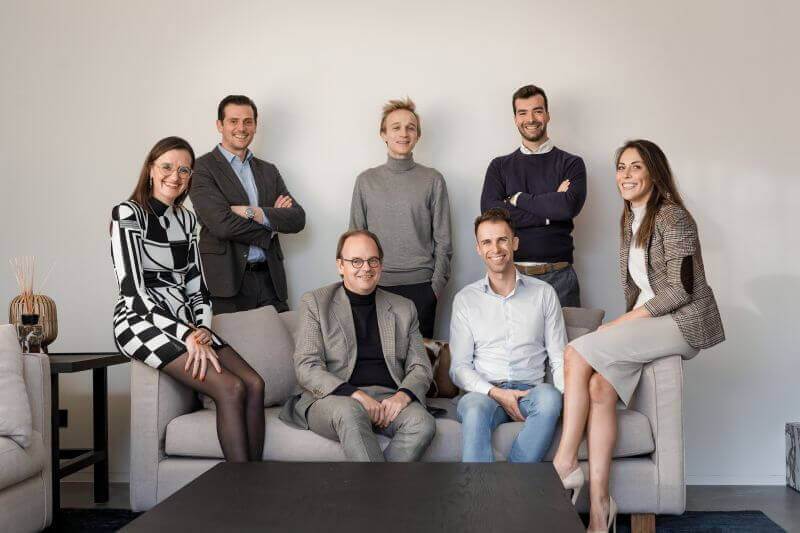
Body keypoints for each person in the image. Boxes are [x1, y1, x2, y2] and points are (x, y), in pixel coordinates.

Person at [552, 140, 725, 532]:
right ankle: (600, 510)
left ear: (654, 173)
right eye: (620, 167)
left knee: (576, 352)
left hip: (683, 322)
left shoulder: (673, 217)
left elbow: (681, 291)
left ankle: (564, 462)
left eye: (635, 167)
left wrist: (618, 324)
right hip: (651, 321)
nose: (625, 175)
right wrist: (628, 321)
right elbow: (644, 286)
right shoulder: (631, 218)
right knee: (599, 388)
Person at [110, 136, 265, 463]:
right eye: (167, 166)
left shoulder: (186, 220)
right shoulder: (127, 214)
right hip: (139, 323)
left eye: (184, 169)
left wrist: (203, 330)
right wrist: (186, 334)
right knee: (231, 388)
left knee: (253, 383)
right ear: (151, 169)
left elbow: (199, 290)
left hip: (187, 324)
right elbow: (134, 294)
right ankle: (244, 492)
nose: (175, 176)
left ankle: (258, 484)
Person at [280, 230, 436, 462]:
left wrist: (402, 396)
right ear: (340, 266)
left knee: (422, 423)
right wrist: (356, 395)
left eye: (373, 260)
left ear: (381, 265)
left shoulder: (404, 308)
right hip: (334, 399)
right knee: (351, 412)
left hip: (388, 397)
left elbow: (420, 367)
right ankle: (380, 498)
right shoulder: (315, 302)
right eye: (356, 261)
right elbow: (307, 366)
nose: (366, 268)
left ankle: (376, 494)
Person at [449, 208, 565, 463]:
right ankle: (480, 496)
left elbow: (559, 357)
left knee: (550, 399)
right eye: (487, 242)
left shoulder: (544, 293)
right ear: (478, 248)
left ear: (515, 242)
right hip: (484, 394)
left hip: (529, 393)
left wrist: (569, 401)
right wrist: (495, 393)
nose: (496, 248)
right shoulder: (466, 300)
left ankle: (512, 483)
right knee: (473, 408)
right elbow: (459, 367)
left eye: (502, 239)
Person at [190, 94, 306, 314]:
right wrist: (271, 226)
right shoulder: (202, 168)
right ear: (219, 125)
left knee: (281, 346)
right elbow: (221, 224)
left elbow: (298, 218)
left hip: (270, 281)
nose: (241, 128)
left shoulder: (268, 171)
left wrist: (253, 212)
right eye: (233, 121)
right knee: (232, 348)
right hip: (228, 284)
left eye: (248, 121)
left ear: (255, 125)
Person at [349, 97, 452, 338]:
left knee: (421, 364)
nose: (403, 133)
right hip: (375, 285)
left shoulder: (433, 179)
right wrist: (358, 287)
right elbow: (354, 239)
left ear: (418, 135)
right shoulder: (366, 181)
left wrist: (434, 289)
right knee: (377, 364)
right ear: (383, 134)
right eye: (396, 127)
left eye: (410, 127)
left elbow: (444, 240)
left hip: (422, 287)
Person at [480, 84, 586, 307]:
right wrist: (549, 211)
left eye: (537, 111)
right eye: (523, 113)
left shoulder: (572, 163)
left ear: (547, 115)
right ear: (515, 119)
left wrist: (517, 199)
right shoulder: (499, 166)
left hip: (560, 278)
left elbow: (566, 208)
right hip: (511, 277)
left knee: (567, 342)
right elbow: (492, 216)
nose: (531, 118)